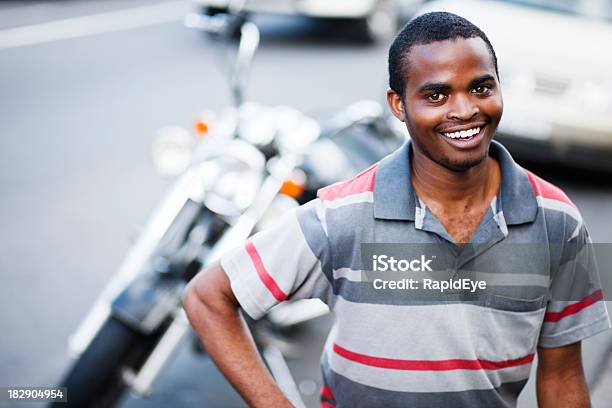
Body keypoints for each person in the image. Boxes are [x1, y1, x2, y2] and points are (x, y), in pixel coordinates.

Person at [182, 12, 610, 407]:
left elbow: (561, 376)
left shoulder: (557, 221)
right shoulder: (343, 215)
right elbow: (207, 297)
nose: (465, 110)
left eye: (481, 87)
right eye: (436, 94)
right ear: (398, 105)